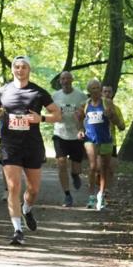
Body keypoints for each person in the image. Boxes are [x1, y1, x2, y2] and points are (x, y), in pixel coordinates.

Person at [0, 56, 62, 246]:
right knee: (13, 187)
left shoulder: (38, 92)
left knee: (34, 189)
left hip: (32, 145)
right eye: (17, 67)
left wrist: (42, 119)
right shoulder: (3, 91)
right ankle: (17, 230)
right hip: (9, 144)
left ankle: (27, 209)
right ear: (13, 69)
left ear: (29, 70)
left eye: (23, 67)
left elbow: (57, 114)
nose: (20, 70)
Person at [77, 79, 120, 211]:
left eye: (98, 88)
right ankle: (91, 196)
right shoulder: (85, 104)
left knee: (104, 169)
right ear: (89, 91)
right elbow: (79, 119)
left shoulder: (107, 103)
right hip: (90, 139)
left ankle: (101, 195)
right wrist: (80, 130)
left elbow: (117, 122)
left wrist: (111, 116)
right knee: (93, 167)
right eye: (93, 88)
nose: (96, 91)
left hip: (106, 139)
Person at [52, 71, 88, 207]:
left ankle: (75, 175)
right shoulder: (55, 96)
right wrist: (56, 114)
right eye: (63, 79)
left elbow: (86, 113)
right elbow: (51, 113)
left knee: (76, 167)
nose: (65, 81)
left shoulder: (81, 96)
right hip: (60, 134)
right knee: (61, 163)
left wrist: (81, 115)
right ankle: (67, 195)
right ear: (60, 81)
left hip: (76, 134)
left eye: (68, 78)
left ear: (72, 80)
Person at [102, 84, 126, 202]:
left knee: (110, 168)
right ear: (101, 93)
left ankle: (106, 191)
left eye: (109, 92)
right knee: (98, 168)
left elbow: (122, 126)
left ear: (112, 94)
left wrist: (113, 116)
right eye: (105, 91)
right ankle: (99, 189)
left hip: (112, 142)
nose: (107, 94)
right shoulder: (95, 106)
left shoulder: (117, 109)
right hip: (97, 142)